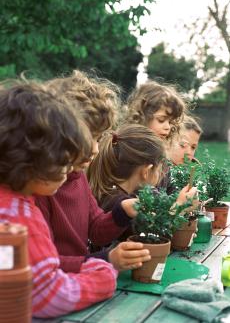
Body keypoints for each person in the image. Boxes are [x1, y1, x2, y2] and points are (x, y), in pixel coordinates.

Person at [0, 81, 131, 318]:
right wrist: (103, 272)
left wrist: (121, 212)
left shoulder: (69, 181)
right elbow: (45, 294)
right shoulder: (19, 215)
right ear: (33, 153)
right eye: (64, 153)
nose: (91, 150)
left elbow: (12, 275)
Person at [36, 70, 151, 274]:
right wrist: (106, 259)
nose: (96, 149)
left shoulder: (77, 176)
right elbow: (44, 264)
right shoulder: (40, 189)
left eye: (99, 139)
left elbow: (96, 230)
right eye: (90, 138)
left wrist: (122, 211)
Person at [88, 124, 197, 243]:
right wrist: (179, 207)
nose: (163, 173)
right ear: (146, 171)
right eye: (161, 168)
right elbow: (153, 237)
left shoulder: (116, 193)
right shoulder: (118, 204)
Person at [125, 80, 188, 193]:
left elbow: (168, 191)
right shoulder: (128, 154)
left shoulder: (161, 158)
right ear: (141, 117)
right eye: (161, 120)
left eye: (170, 122)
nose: (167, 127)